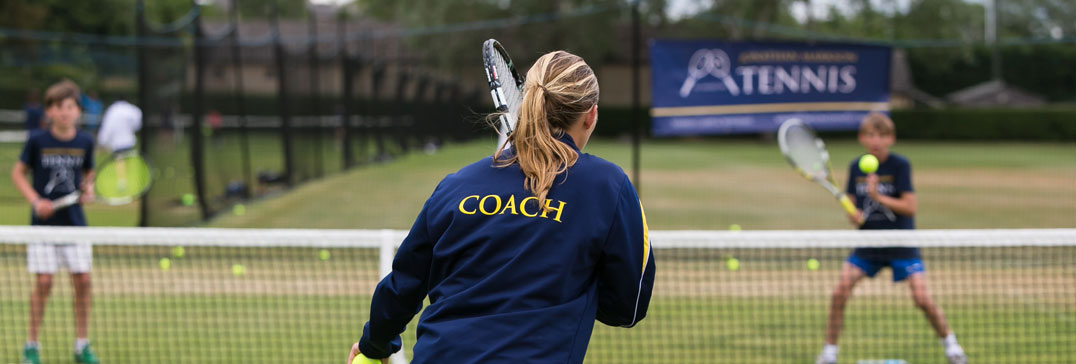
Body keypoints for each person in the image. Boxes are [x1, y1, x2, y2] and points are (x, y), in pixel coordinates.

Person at [347, 51, 655, 364]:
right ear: (591, 115)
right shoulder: (609, 186)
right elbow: (627, 309)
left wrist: (373, 344)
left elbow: (405, 284)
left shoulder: (457, 184)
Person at [815, 113, 965, 364]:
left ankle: (952, 347)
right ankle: (829, 353)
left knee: (922, 298)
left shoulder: (899, 166)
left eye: (882, 135)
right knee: (839, 291)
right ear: (862, 138)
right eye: (870, 135)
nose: (876, 141)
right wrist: (853, 215)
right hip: (868, 246)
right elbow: (853, 207)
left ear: (891, 139)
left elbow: (910, 207)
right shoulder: (856, 167)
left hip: (901, 245)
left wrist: (878, 196)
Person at [10, 80, 99, 364]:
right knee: (45, 283)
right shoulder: (37, 140)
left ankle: (82, 346)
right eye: (58, 107)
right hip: (43, 228)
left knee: (83, 281)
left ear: (78, 111)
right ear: (49, 111)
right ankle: (31, 346)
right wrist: (36, 201)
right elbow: (17, 173)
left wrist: (89, 191)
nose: (65, 112)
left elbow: (89, 175)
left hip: (75, 224)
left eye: (70, 107)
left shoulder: (85, 141)